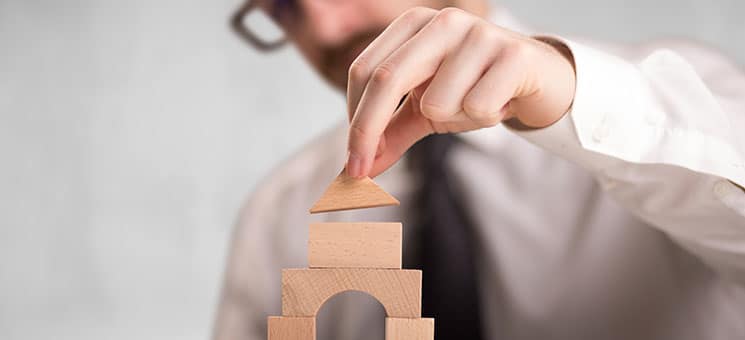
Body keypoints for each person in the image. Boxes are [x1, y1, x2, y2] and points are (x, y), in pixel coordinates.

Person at [213, 0, 745, 339]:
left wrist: (566, 95)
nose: (325, 26)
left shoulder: (683, 107)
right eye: (282, 7)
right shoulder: (282, 212)